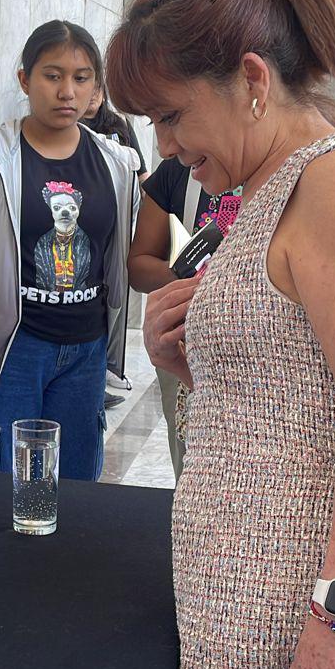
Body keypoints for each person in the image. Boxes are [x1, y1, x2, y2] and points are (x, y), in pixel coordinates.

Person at [105, 0, 335, 669]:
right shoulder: (274, 187)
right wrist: (187, 357)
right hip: (240, 620)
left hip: (290, 628)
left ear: (250, 81)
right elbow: (294, 395)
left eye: (171, 114)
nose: (166, 143)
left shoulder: (329, 186)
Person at [0, 20, 139, 479]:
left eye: (81, 78)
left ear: (95, 88)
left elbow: (114, 257)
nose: (67, 91)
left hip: (85, 353)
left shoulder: (117, 164)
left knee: (76, 483)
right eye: (52, 75)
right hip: (11, 351)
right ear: (25, 80)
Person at [127, 158, 242, 477]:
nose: (167, 143)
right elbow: (138, 268)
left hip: (261, 354)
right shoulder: (177, 171)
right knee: (191, 463)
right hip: (186, 348)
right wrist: (190, 273)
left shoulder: (284, 165)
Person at [83, 79, 149, 178]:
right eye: (88, 88)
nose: (93, 94)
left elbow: (141, 171)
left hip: (122, 187)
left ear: (104, 93)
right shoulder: (70, 128)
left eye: (97, 88)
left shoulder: (120, 122)